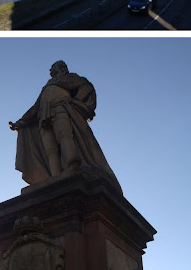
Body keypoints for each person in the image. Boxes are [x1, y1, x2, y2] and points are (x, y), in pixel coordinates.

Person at [9, 61, 121, 193]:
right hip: (43, 116)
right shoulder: (47, 87)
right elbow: (35, 108)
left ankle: (71, 165)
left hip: (60, 109)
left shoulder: (69, 78)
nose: (51, 69)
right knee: (50, 148)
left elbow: (86, 86)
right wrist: (20, 123)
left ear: (62, 68)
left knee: (64, 136)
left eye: (54, 66)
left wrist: (76, 102)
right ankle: (55, 176)